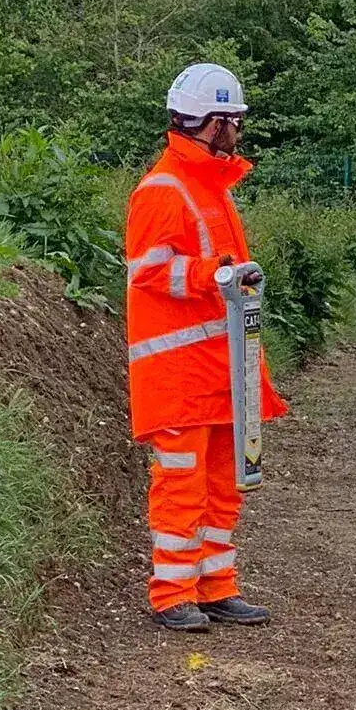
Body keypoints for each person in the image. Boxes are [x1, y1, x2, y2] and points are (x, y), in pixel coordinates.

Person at [125, 63, 287, 633]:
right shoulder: (164, 190)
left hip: (220, 368)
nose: (239, 131)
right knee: (182, 483)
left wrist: (225, 276)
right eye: (234, 120)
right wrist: (213, 274)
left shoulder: (208, 187)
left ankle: (216, 585)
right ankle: (172, 593)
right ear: (213, 123)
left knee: (223, 482)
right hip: (179, 373)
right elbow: (147, 272)